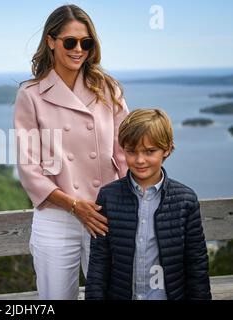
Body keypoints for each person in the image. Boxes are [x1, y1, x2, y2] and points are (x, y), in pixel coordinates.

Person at [13, 4, 129, 299]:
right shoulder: (31, 95)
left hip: (105, 215)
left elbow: (126, 151)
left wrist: (129, 204)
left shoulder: (108, 88)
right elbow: (30, 170)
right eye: (70, 42)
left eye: (86, 43)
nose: (79, 49)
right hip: (56, 217)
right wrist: (75, 206)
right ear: (51, 41)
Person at [85, 108, 212, 300]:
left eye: (150, 151)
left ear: (167, 149)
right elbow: (98, 263)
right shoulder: (108, 196)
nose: (139, 160)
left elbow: (196, 264)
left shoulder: (186, 200)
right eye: (131, 151)